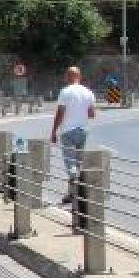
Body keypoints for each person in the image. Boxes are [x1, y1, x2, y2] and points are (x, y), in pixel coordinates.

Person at [50, 66, 96, 204]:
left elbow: (60, 113)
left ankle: (75, 192)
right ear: (79, 77)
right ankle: (74, 193)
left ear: (68, 76)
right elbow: (92, 114)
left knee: (70, 164)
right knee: (78, 162)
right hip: (82, 131)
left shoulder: (65, 92)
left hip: (68, 131)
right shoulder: (88, 92)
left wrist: (53, 131)